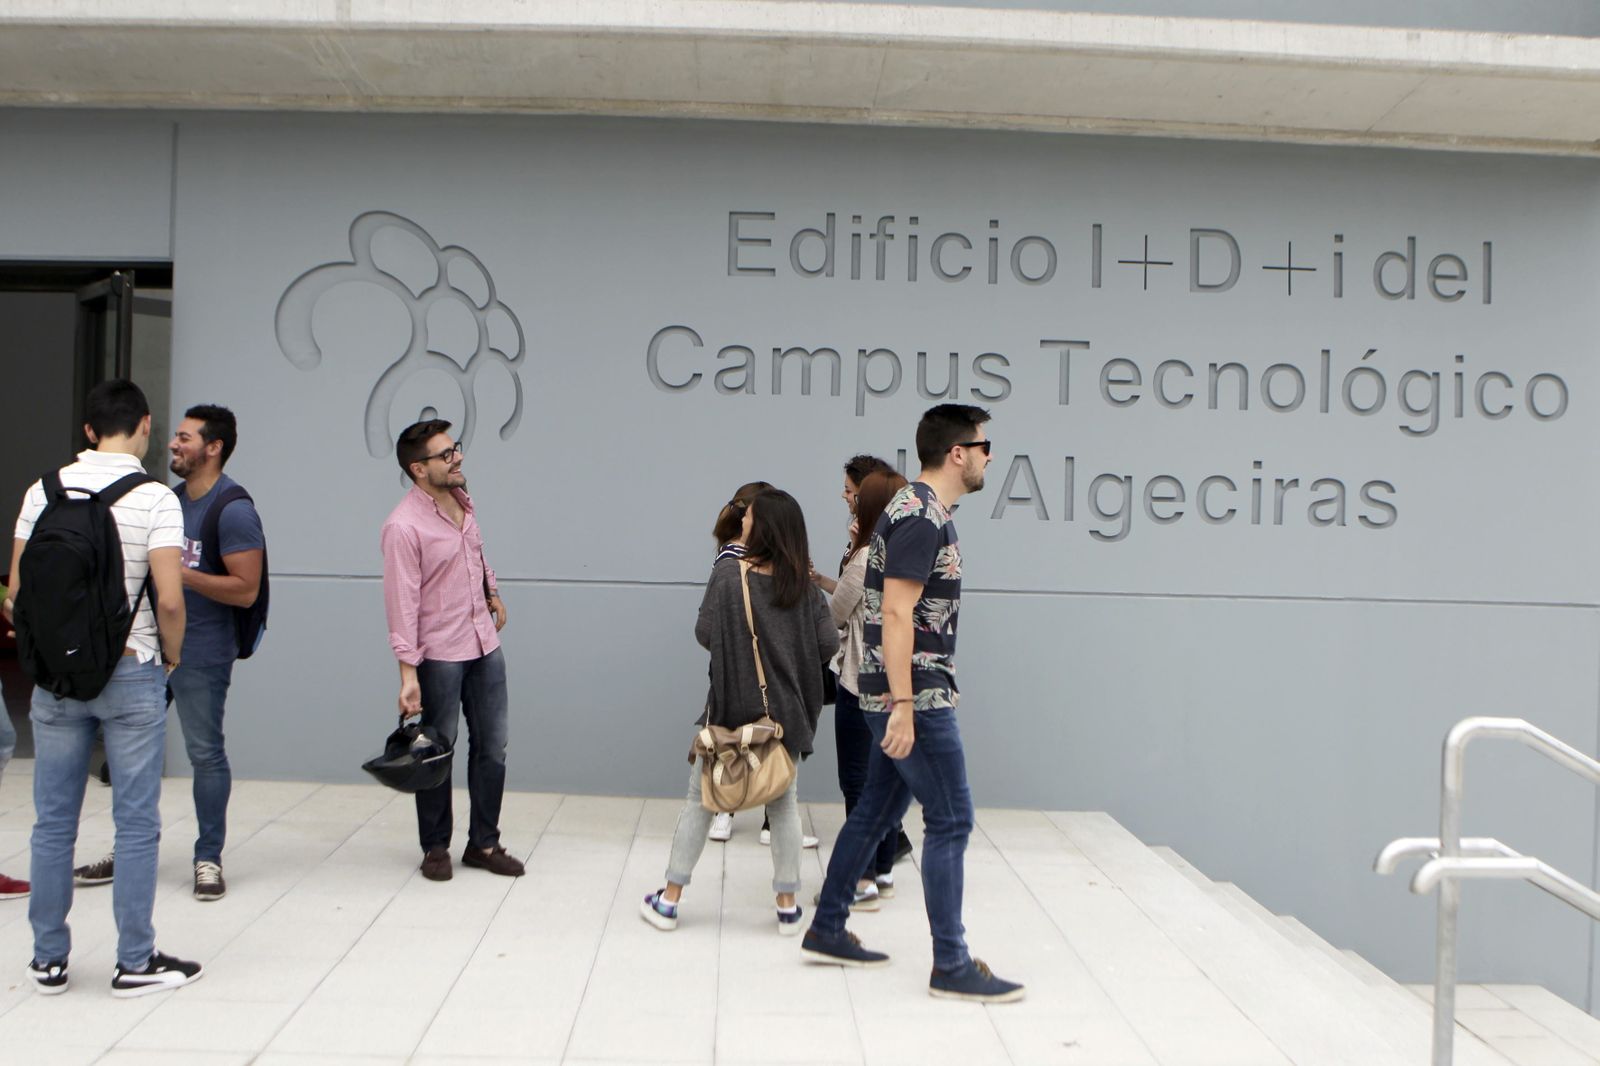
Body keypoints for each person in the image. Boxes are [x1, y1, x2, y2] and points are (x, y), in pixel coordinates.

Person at [802, 403, 1023, 1004]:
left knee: (876, 809)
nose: (988, 456)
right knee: (951, 818)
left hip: (901, 693)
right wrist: (903, 704)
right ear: (958, 453)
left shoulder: (915, 510)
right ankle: (951, 962)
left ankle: (827, 927)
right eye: (983, 446)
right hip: (916, 696)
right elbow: (896, 612)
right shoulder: (921, 515)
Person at [7, 379, 202, 996]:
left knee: (53, 823)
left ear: (88, 431)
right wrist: (170, 657)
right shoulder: (155, 499)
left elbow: (16, 596)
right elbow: (169, 598)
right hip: (130, 668)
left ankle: (48, 961)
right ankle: (135, 961)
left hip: (58, 679)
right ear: (145, 425)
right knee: (136, 823)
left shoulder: (43, 490)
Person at [72, 405, 265, 902]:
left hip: (202, 653)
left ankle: (208, 858)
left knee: (204, 753)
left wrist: (179, 572)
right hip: (148, 651)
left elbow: (245, 590)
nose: (173, 445)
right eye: (174, 437)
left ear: (213, 447)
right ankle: (130, 851)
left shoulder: (234, 508)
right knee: (132, 757)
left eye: (184, 438)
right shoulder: (169, 501)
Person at [642, 488, 838, 935]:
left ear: (762, 527)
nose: (742, 521)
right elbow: (828, 645)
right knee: (785, 805)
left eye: (748, 516)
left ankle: (669, 900)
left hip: (732, 710)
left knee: (702, 800)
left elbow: (704, 633)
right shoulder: (802, 585)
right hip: (786, 715)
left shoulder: (730, 576)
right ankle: (788, 907)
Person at [381, 419, 522, 882]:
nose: (457, 457)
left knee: (493, 748)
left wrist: (492, 592)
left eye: (455, 448)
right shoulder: (403, 526)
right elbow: (403, 603)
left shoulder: (463, 502)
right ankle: (435, 847)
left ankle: (484, 843)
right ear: (419, 469)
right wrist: (408, 674)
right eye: (445, 454)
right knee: (435, 753)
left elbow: (476, 554)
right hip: (439, 653)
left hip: (484, 644)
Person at [704, 482, 817, 850]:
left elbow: (705, 628)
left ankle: (726, 813)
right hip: (768, 683)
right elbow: (709, 627)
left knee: (735, 750)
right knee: (773, 773)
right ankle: (786, 895)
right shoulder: (741, 564)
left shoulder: (736, 561)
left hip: (736, 679)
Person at [823, 469, 908, 912]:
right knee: (889, 779)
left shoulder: (864, 560)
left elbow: (837, 615)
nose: (848, 501)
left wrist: (849, 554)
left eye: (855, 497)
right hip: (898, 685)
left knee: (856, 782)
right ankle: (885, 870)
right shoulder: (906, 554)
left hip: (859, 683)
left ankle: (864, 878)